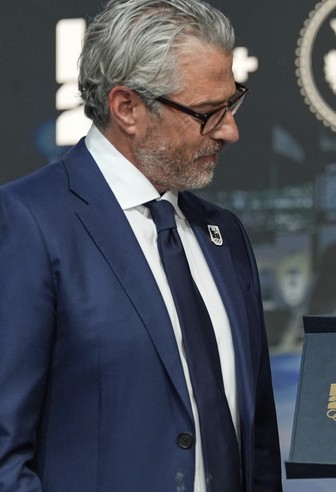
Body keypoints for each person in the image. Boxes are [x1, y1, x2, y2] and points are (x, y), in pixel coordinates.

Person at [0, 0, 281, 490]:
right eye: (208, 113)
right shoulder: (27, 222)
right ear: (126, 107)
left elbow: (256, 444)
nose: (230, 130)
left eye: (232, 103)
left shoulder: (225, 235)